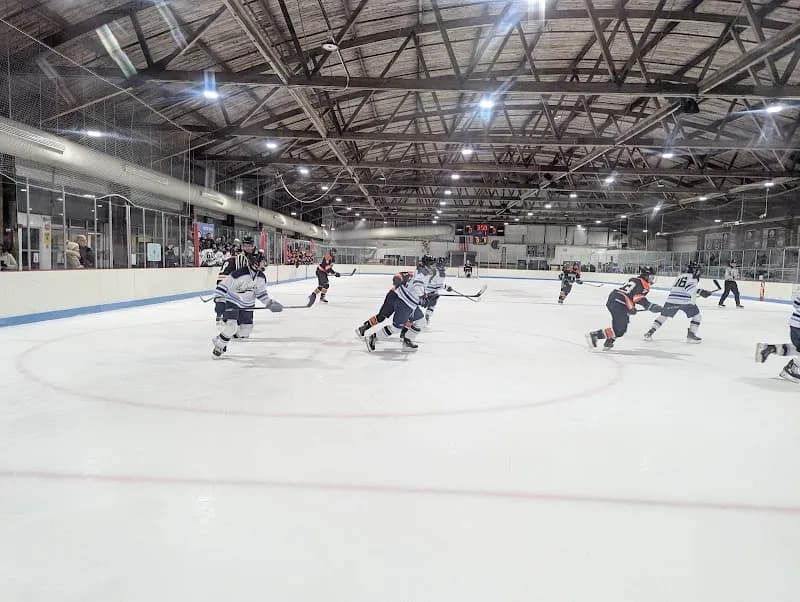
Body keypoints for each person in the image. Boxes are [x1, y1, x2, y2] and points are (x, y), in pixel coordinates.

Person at [211, 249, 283, 357]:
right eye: (262, 261)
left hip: (248, 305)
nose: (264, 263)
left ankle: (219, 338)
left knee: (245, 331)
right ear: (255, 262)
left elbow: (261, 294)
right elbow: (222, 286)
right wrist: (219, 301)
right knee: (232, 326)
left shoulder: (261, 277)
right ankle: (219, 347)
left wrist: (270, 303)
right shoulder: (238, 274)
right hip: (233, 301)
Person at [363, 255, 436, 352]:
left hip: (411, 304)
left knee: (421, 322)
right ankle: (373, 338)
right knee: (396, 328)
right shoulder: (421, 272)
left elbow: (421, 287)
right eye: (432, 264)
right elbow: (417, 285)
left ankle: (407, 341)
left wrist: (426, 295)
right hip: (404, 303)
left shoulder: (424, 273)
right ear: (427, 264)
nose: (433, 266)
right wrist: (422, 297)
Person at [586, 266, 662, 350]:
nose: (652, 279)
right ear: (646, 276)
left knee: (621, 326)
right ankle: (595, 335)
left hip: (614, 298)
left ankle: (609, 341)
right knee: (620, 330)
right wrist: (651, 306)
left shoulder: (635, 280)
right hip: (620, 302)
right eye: (651, 277)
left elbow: (630, 294)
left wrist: (631, 308)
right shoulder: (644, 284)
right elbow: (638, 298)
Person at [643, 260, 713, 344]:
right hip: (684, 301)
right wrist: (701, 291)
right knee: (697, 316)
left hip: (671, 299)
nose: (699, 271)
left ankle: (649, 333)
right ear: (694, 270)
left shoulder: (680, 276)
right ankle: (691, 336)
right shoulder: (693, 277)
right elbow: (689, 288)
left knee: (663, 316)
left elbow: (677, 289)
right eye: (697, 270)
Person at [755, 290, 800, 383]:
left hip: (795, 325)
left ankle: (770, 348)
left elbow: (796, 304)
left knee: (797, 348)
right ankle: (793, 368)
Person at [355, 269, 414, 337]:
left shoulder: (422, 282)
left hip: (402, 300)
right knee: (382, 317)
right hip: (394, 297)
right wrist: (397, 282)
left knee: (411, 317)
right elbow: (398, 276)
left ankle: (404, 334)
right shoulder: (412, 275)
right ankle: (364, 328)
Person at [214, 235, 256, 325]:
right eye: (246, 245)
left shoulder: (254, 261)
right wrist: (220, 298)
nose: (248, 248)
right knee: (231, 325)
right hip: (232, 297)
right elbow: (221, 281)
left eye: (250, 245)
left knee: (244, 328)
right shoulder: (231, 261)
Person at [423, 257, 448, 326]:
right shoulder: (442, 272)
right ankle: (427, 316)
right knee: (432, 305)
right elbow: (439, 286)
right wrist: (447, 288)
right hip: (432, 293)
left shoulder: (430, 269)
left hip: (423, 291)